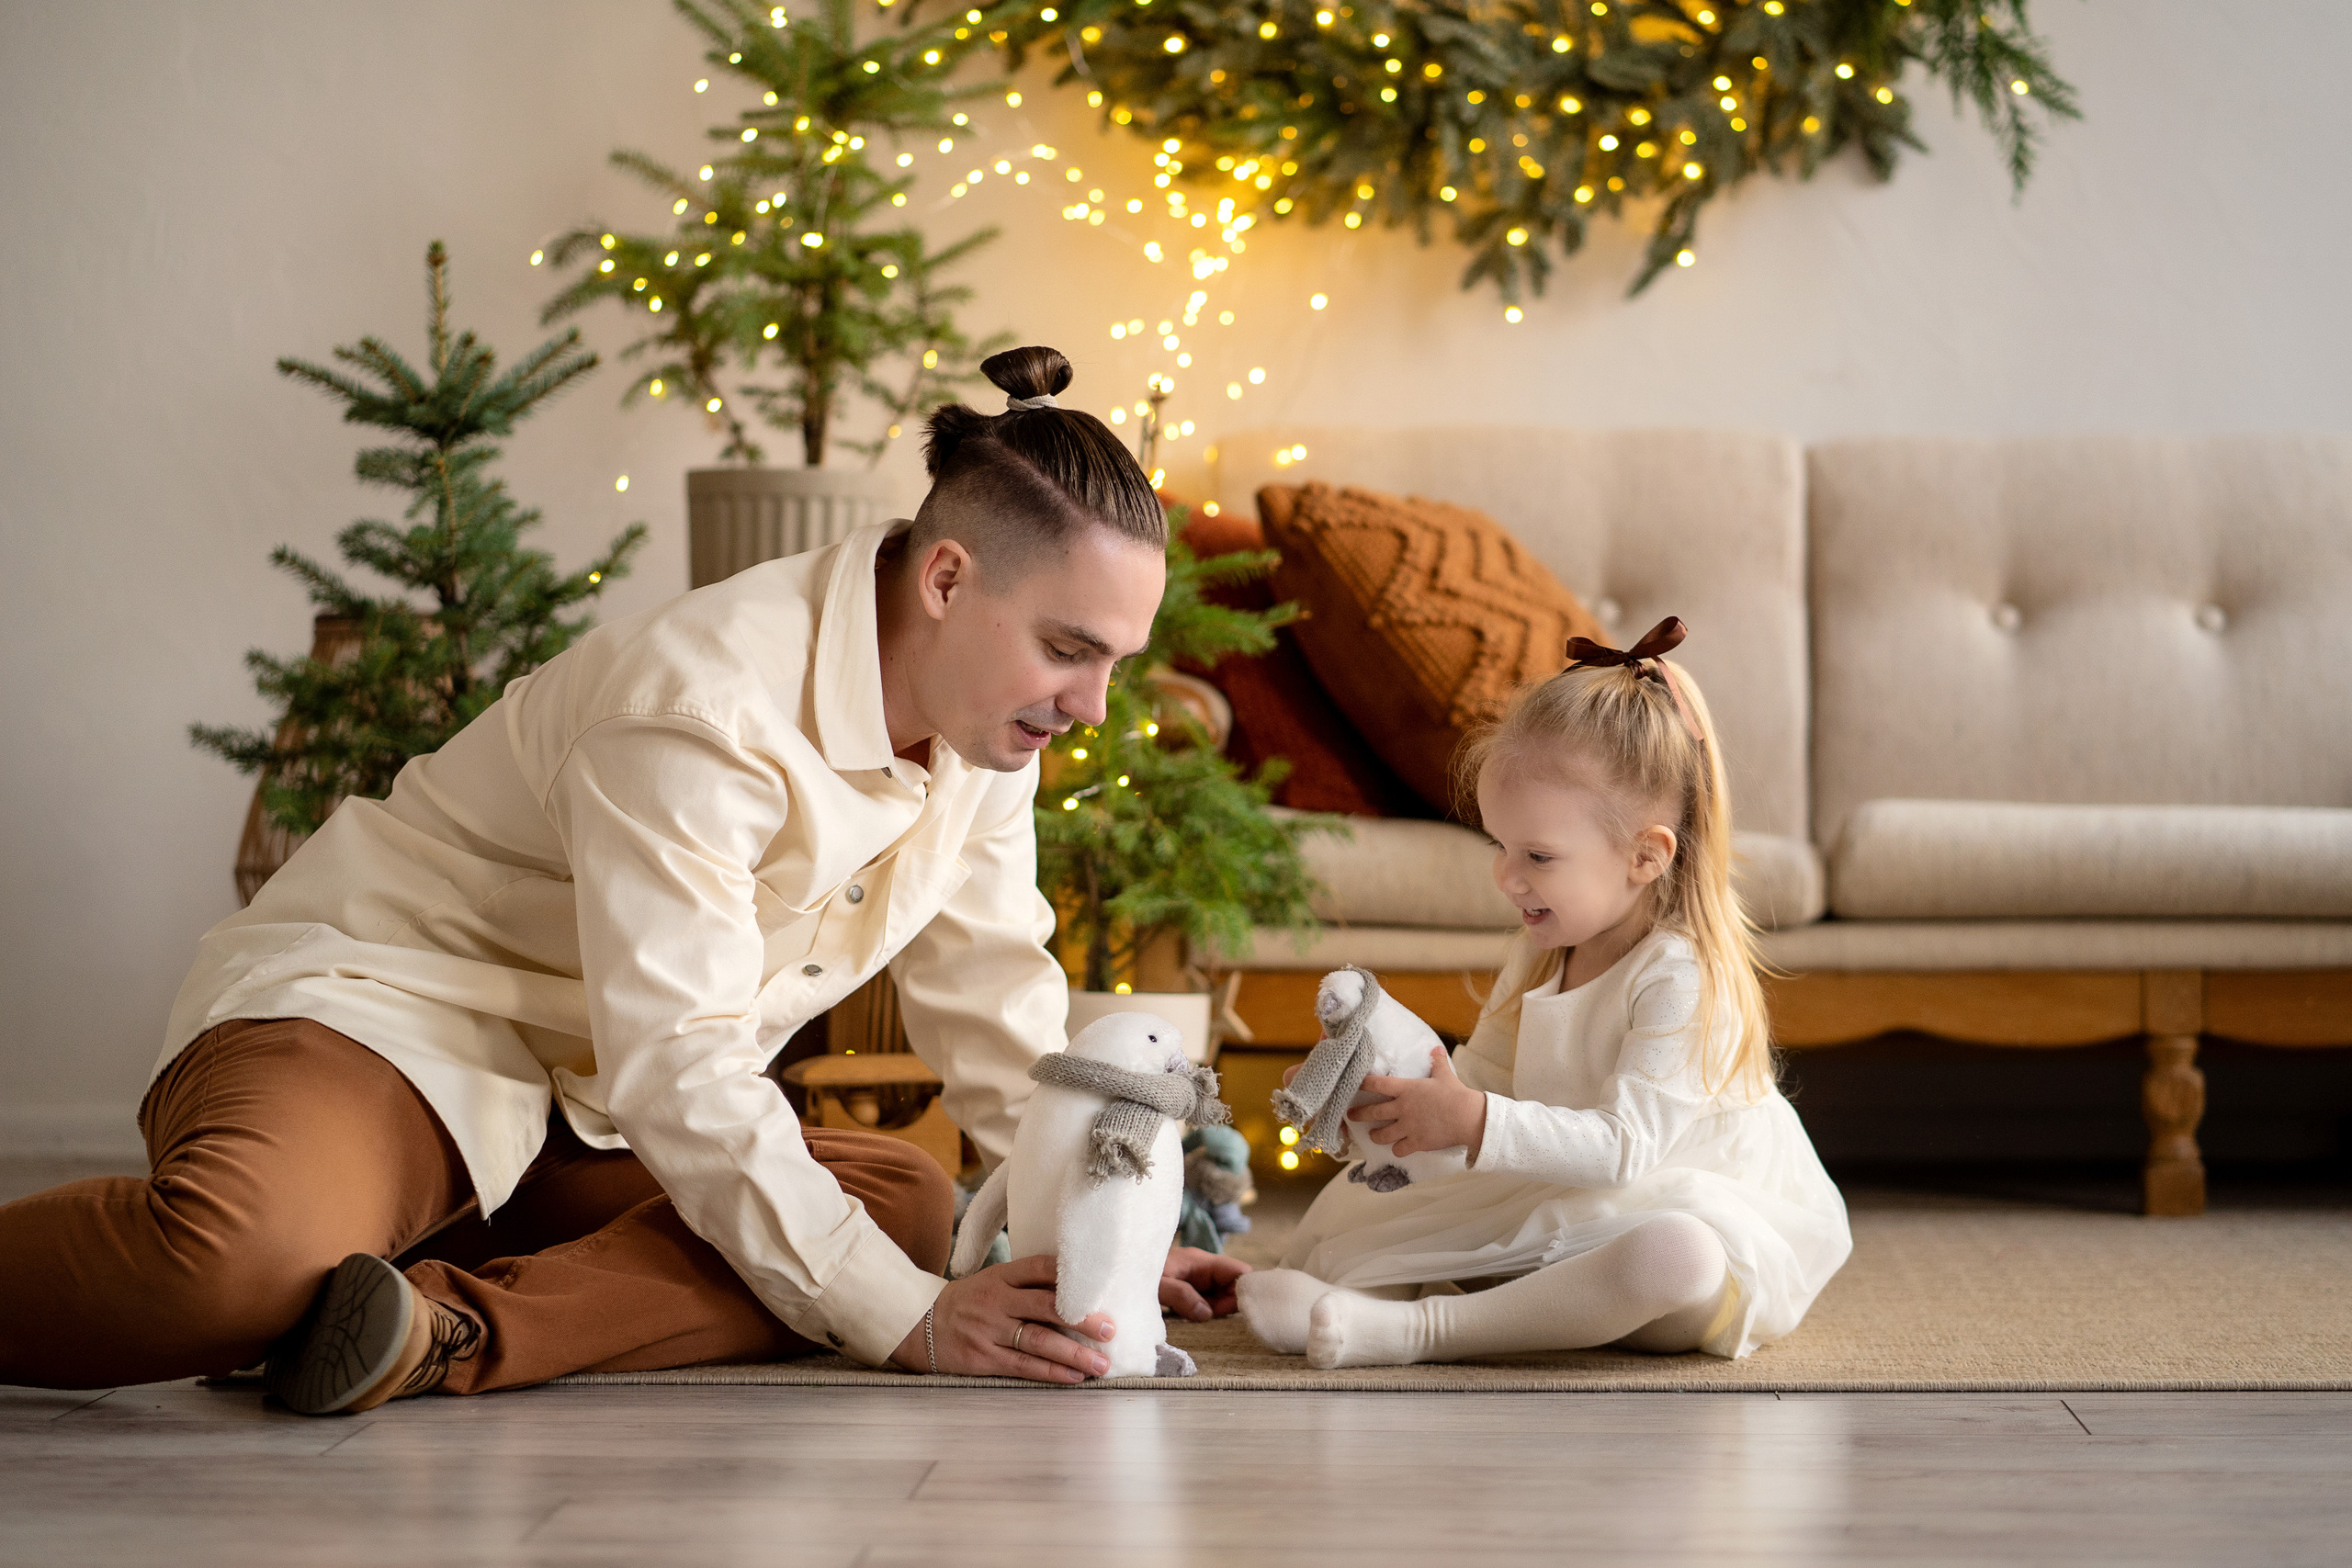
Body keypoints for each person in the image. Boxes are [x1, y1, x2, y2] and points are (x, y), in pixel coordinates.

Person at [0, 345, 1246, 1410]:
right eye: (1069, 650)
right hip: (382, 1023)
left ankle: (433, 1331)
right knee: (230, 1264)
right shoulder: (703, 705)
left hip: (583, 1108)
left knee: (902, 1206)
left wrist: (1098, 1248)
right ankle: (316, 1272)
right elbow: (686, 1061)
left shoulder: (988, 725)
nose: (1090, 704)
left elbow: (993, 999)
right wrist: (913, 1322)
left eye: (1113, 663)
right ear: (948, 578)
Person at [1237, 618, 1849, 1369]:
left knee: (1676, 1255)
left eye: (1538, 855)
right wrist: (1385, 1100)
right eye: (1501, 845)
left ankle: (1421, 1331)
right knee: (1413, 1211)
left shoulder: (1680, 977)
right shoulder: (1541, 951)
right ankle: (1367, 1301)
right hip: (1562, 1205)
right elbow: (1482, 1085)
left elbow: (1625, 1149)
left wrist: (1474, 1118)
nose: (1507, 876)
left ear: (1645, 856)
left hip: (1666, 1220)